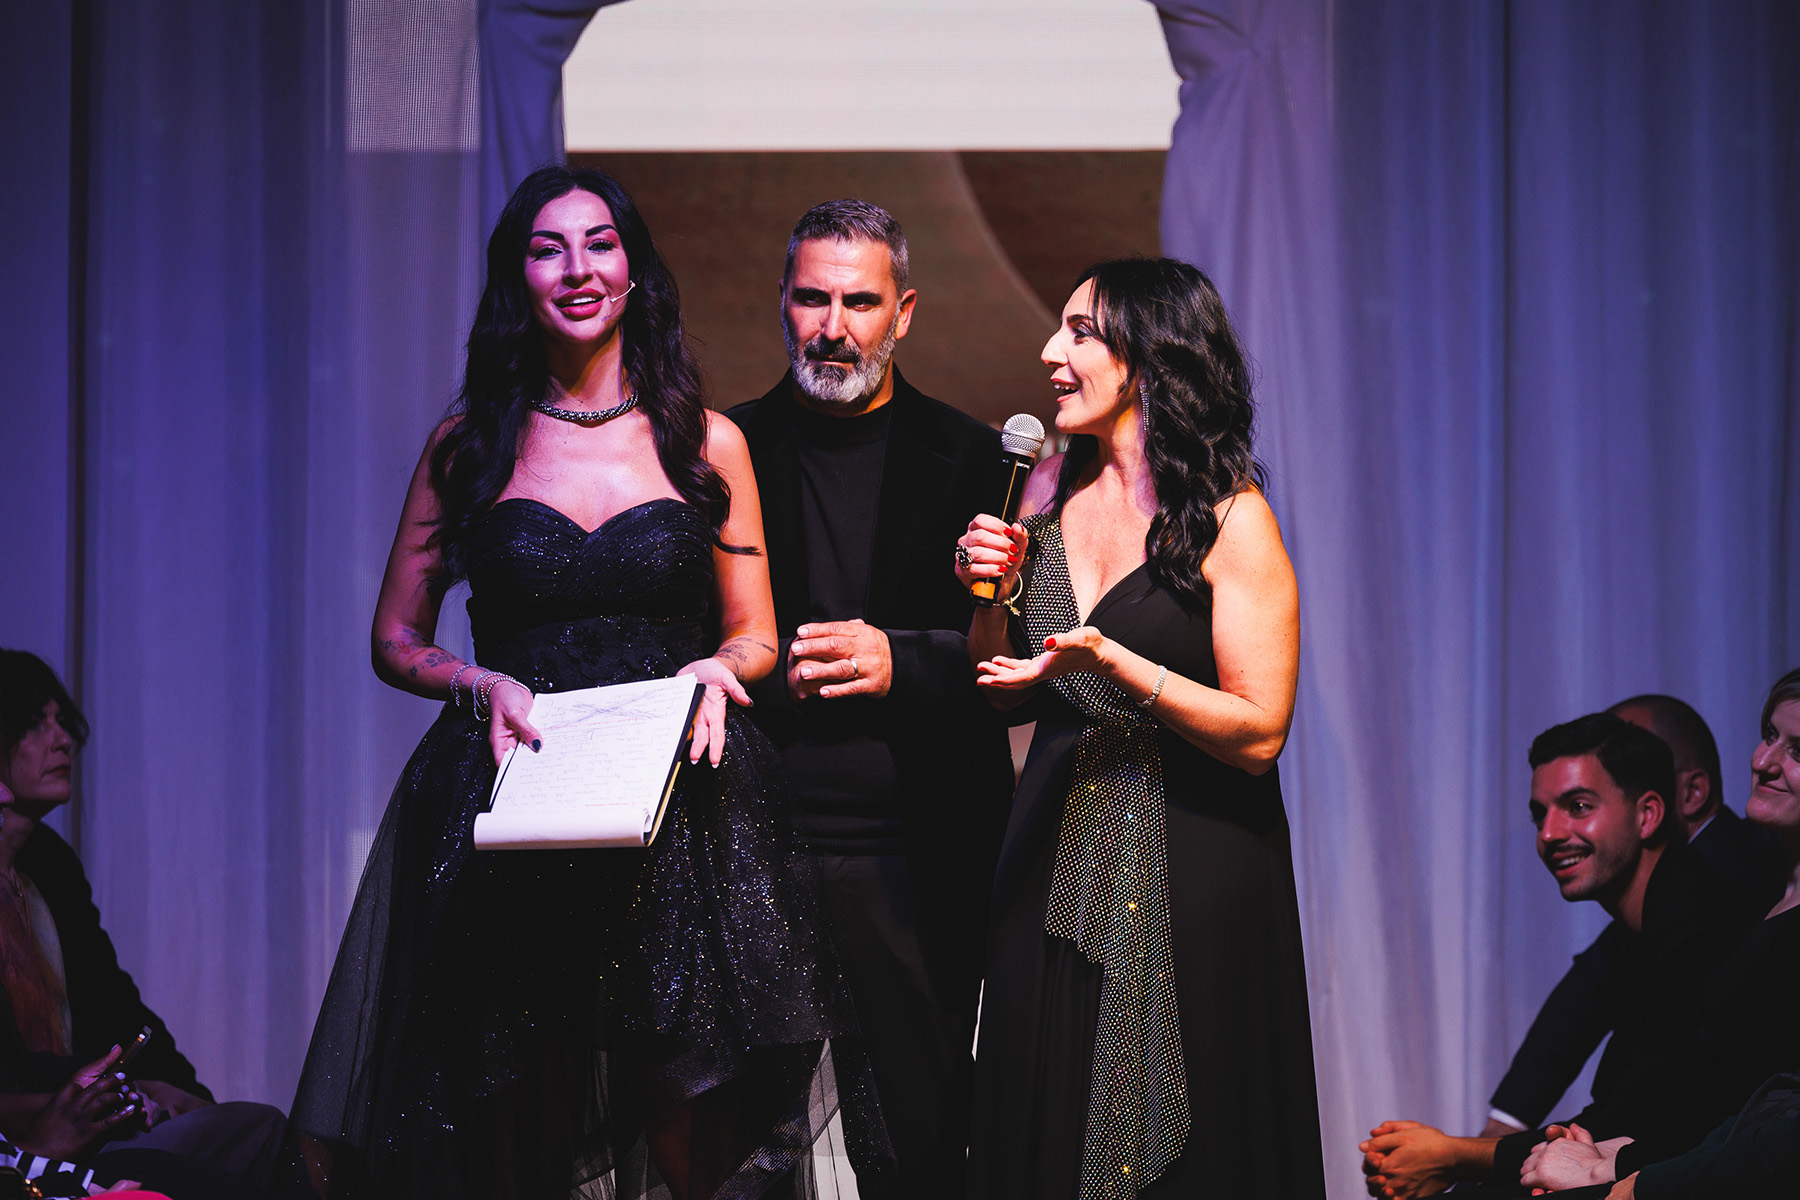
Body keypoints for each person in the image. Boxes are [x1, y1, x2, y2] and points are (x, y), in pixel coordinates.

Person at [290, 165, 873, 1200]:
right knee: (513, 1119)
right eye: (547, 247)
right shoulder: (469, 445)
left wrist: (717, 667)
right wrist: (475, 681)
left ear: (634, 270)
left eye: (600, 244)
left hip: (678, 811)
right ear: (517, 276)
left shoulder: (708, 442)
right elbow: (395, 638)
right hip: (514, 797)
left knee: (693, 1117)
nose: (578, 269)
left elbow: (756, 637)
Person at [958, 258, 1324, 1198]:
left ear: (1153, 355)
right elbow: (1000, 692)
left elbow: (1261, 732)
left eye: (1081, 332)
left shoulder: (1230, 519)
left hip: (1193, 863)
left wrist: (1118, 663)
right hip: (1052, 852)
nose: (1051, 352)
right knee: (1042, 1106)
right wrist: (989, 598)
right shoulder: (1041, 493)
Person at [724, 199, 1014, 1199]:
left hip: (918, 856)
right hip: (755, 847)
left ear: (905, 313)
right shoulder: (722, 450)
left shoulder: (978, 458)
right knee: (744, 1153)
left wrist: (900, 660)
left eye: (860, 302)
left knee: (921, 1147)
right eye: (813, 299)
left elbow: (1022, 664)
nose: (833, 326)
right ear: (782, 302)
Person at [1359, 713, 1760, 1199]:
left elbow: (1630, 1124)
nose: (1548, 833)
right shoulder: (1640, 928)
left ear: (1648, 814)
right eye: (1539, 813)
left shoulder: (1705, 917)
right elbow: (1567, 1036)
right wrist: (1460, 1154)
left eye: (1578, 806)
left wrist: (1453, 1155)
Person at [0, 651, 285, 1200]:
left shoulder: (50, 866)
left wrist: (180, 1091)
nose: (62, 741)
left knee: (256, 1130)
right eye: (35, 724)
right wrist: (119, 1091)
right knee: (257, 1138)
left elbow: (115, 1002)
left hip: (95, 1113)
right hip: (35, 1137)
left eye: (62, 722)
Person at [1515, 667, 1800, 1198]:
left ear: (1658, 807)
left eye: (1798, 750)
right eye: (1768, 735)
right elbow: (1590, 989)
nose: (1762, 761)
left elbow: (1769, 1120)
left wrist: (1625, 1176)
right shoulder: (1767, 888)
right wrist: (1614, 1155)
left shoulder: (1726, 885)